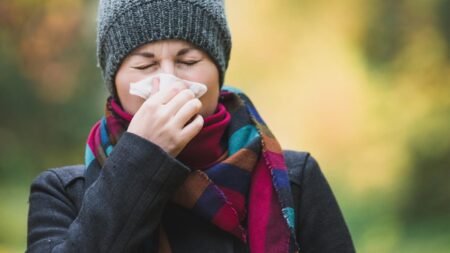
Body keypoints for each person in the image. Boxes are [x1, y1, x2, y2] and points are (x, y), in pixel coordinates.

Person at [26, 0, 355, 252]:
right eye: (145, 64)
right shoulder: (62, 193)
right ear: (114, 82)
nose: (168, 81)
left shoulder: (295, 180)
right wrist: (142, 157)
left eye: (188, 62)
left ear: (218, 70)